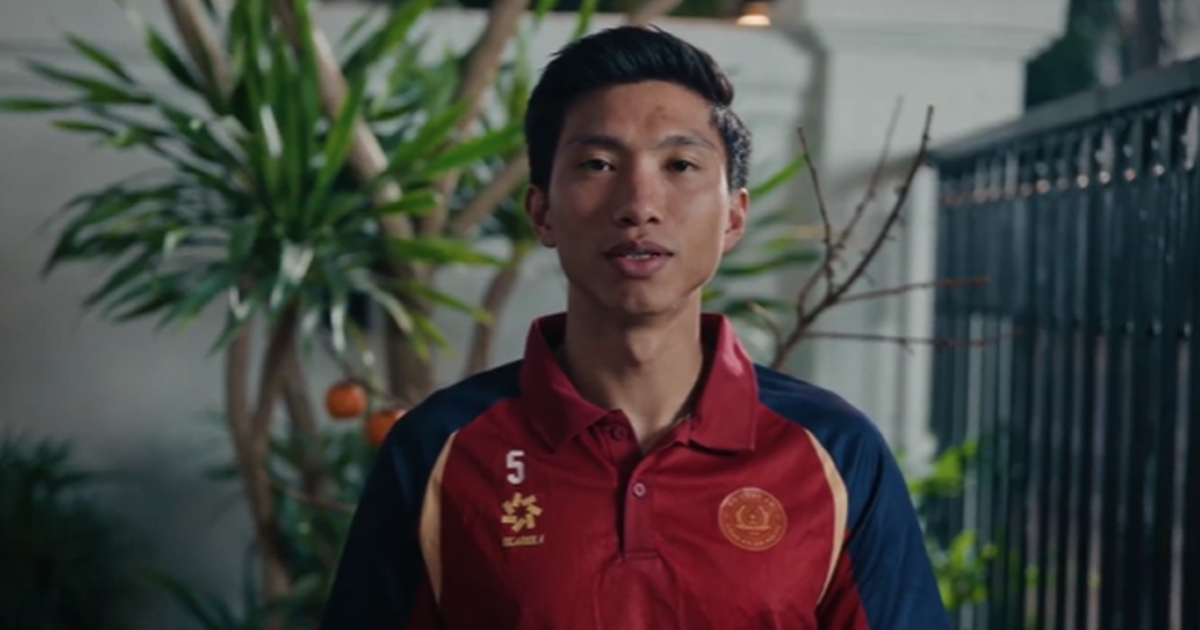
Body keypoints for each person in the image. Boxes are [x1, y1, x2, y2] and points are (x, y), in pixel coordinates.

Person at [322, 25, 948, 630]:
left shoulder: (834, 450)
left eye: (680, 165)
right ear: (541, 213)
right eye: (598, 164)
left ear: (733, 217)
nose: (639, 205)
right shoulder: (439, 449)